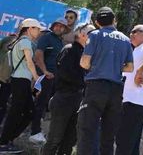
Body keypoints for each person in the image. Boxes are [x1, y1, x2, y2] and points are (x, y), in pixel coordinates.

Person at [77, 7, 134, 155]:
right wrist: (114, 66)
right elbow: (129, 68)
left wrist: (97, 65)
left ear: (96, 22)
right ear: (114, 20)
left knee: (87, 130)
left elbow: (84, 62)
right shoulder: (126, 39)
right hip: (116, 90)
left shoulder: (95, 35)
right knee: (108, 135)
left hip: (96, 87)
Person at [42, 23, 93, 155]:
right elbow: (65, 73)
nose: (94, 36)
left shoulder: (86, 53)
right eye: (91, 33)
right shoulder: (69, 49)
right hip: (64, 97)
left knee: (69, 140)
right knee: (55, 138)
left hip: (78, 100)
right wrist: (85, 81)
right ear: (81, 34)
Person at [116, 24, 143, 155]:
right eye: (131, 32)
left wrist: (140, 71)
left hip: (136, 101)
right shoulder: (136, 50)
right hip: (130, 100)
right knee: (132, 142)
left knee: (124, 139)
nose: (131, 34)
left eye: (135, 32)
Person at [0, 19, 43, 153]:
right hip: (20, 81)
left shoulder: (21, 41)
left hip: (20, 81)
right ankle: (3, 143)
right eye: (37, 28)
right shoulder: (25, 41)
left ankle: (8, 139)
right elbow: (29, 62)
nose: (39, 31)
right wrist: (36, 78)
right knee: (16, 112)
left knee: (29, 112)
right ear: (29, 29)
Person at [30, 17, 69, 144]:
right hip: (43, 77)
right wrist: (45, 71)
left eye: (61, 26)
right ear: (53, 27)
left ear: (64, 29)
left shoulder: (60, 41)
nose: (59, 28)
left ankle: (36, 130)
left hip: (53, 78)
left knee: (43, 105)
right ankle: (34, 132)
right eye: (56, 25)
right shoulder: (47, 37)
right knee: (39, 104)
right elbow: (38, 54)